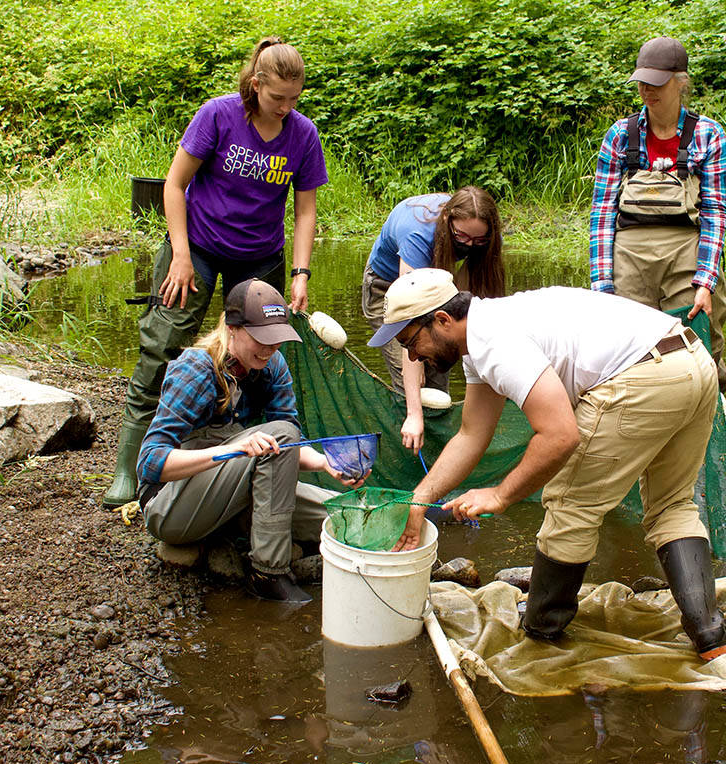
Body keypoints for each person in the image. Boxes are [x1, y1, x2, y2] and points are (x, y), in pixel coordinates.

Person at [368, 269, 726, 661]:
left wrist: (500, 495)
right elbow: (471, 436)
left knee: (570, 504)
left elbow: (560, 435)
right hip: (691, 362)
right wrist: (418, 501)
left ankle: (541, 630)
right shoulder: (487, 333)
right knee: (671, 504)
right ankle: (710, 632)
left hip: (642, 375)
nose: (412, 357)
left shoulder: (495, 341)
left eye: (412, 342)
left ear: (443, 320)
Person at [104, 35, 328, 508]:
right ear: (255, 83)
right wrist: (181, 255)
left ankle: (242, 449)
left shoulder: (303, 134)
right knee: (164, 343)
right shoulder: (219, 115)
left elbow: (304, 211)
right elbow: (174, 183)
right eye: (276, 98)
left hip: (259, 256)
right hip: (200, 246)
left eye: (295, 99)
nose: (286, 108)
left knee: (260, 344)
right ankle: (131, 462)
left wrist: (301, 273)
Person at [137, 280, 365, 603]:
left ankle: (403, 522)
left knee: (345, 516)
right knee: (281, 433)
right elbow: (149, 463)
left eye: (277, 340)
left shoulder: (272, 367)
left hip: (231, 495)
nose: (270, 349)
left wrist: (326, 463)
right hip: (169, 507)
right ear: (232, 328)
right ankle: (268, 574)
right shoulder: (197, 368)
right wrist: (230, 451)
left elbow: (285, 449)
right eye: (261, 338)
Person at [589, 36, 726, 391]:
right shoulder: (621, 134)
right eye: (641, 82)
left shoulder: (708, 135)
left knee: (695, 350)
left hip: (686, 254)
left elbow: (714, 210)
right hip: (628, 257)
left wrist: (706, 282)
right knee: (627, 354)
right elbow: (602, 213)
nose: (646, 91)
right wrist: (601, 284)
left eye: (656, 83)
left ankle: (710, 419)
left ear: (680, 82)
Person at [361, 187, 505, 454]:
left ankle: (441, 457)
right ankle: (408, 453)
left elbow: (467, 310)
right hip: (388, 288)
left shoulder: (481, 237)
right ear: (447, 220)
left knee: (439, 368)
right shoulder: (418, 235)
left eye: (478, 240)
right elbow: (410, 329)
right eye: (462, 237)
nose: (469, 246)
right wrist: (415, 414)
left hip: (438, 285)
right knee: (413, 381)